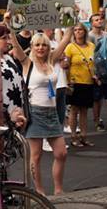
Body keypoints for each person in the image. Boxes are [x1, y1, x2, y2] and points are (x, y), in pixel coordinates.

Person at [8, 28, 72, 195]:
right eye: (37, 45)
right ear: (32, 46)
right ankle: (39, 190)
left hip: (52, 112)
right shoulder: (27, 63)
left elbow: (66, 40)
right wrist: (9, 26)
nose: (41, 48)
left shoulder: (51, 60)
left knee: (61, 153)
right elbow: (15, 44)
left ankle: (58, 188)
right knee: (35, 156)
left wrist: (70, 21)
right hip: (35, 113)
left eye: (44, 45)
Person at [64, 23, 96, 148]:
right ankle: (73, 136)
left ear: (85, 31)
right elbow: (66, 65)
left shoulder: (91, 46)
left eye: (80, 30)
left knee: (84, 110)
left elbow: (95, 62)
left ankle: (83, 136)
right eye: (75, 30)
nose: (78, 32)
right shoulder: (70, 47)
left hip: (88, 81)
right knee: (74, 110)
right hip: (75, 81)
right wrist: (67, 81)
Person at [88, 14, 107, 132]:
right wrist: (94, 73)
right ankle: (97, 121)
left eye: (100, 19)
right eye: (96, 20)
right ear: (91, 23)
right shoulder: (89, 36)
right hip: (96, 70)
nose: (99, 21)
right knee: (97, 99)